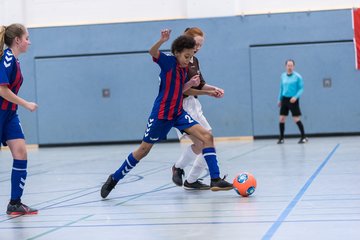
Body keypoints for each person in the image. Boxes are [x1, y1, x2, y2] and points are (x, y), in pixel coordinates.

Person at [100, 29, 233, 199]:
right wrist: (162, 40)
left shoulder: (185, 68)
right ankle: (115, 178)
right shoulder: (168, 61)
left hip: (178, 113)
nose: (188, 60)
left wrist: (191, 84)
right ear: (177, 53)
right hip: (161, 116)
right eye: (186, 56)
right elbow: (152, 52)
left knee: (207, 137)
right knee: (143, 150)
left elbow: (181, 90)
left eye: (191, 56)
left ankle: (215, 179)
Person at [171, 27, 226, 190]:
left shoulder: (195, 60)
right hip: (181, 107)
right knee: (201, 142)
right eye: (196, 44)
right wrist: (207, 93)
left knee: (208, 141)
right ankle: (178, 167)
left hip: (194, 104)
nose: (198, 48)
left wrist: (213, 89)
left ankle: (191, 180)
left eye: (201, 46)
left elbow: (200, 83)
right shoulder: (180, 61)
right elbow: (185, 89)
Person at [0, 24, 38, 215]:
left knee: (21, 152)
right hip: (1, 113)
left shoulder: (15, 61)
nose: (29, 42)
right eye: (27, 38)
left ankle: (15, 203)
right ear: (17, 40)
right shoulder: (7, 59)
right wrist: (26, 104)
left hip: (9, 115)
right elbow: (2, 90)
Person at [277, 59, 308, 144]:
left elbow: (301, 89)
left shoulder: (298, 77)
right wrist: (279, 99)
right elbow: (281, 88)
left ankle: (303, 137)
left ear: (293, 66)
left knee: (296, 119)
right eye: (288, 65)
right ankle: (281, 138)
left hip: (293, 100)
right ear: (285, 66)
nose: (289, 67)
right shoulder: (283, 76)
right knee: (281, 119)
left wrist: (296, 97)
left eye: (291, 65)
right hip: (284, 99)